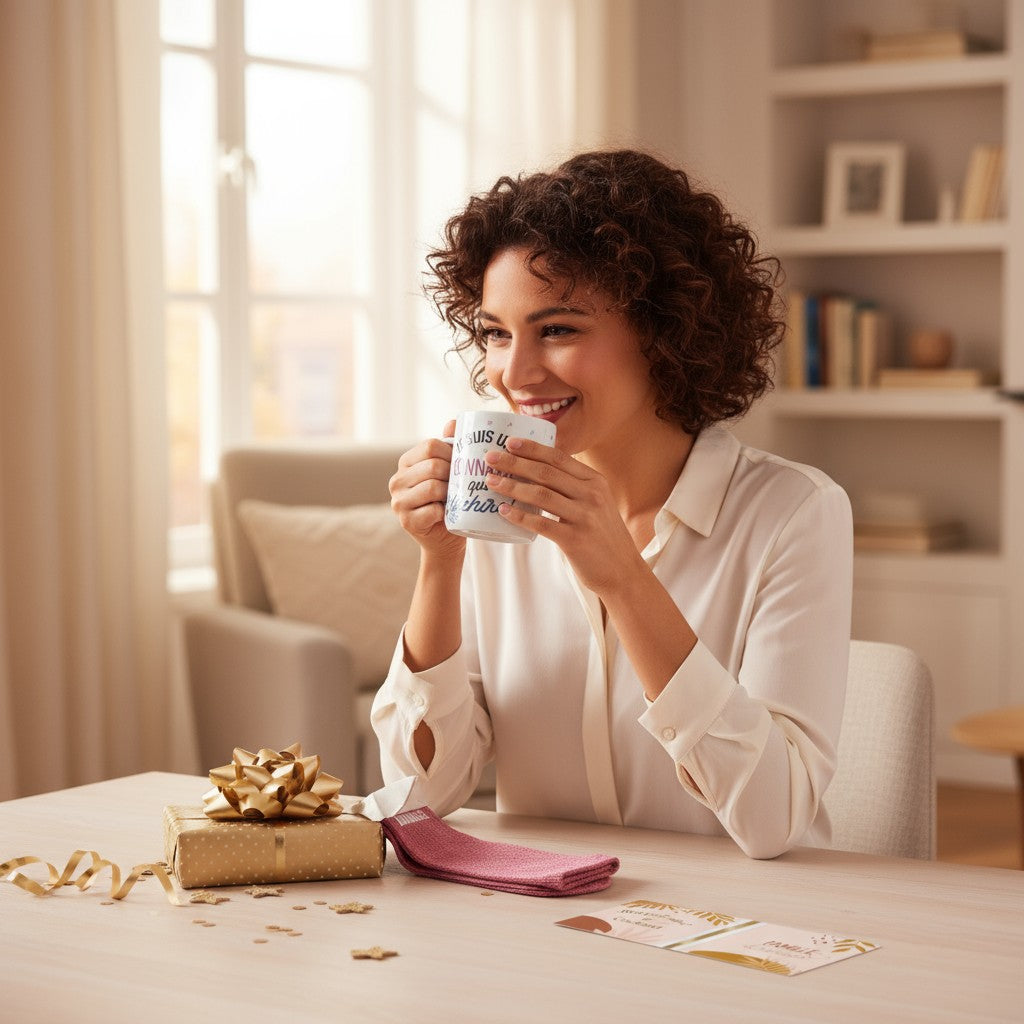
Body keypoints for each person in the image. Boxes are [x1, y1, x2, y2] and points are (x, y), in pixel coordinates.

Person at [372, 149, 852, 859]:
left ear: (667, 330)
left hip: (739, 930)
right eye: (496, 333)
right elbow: (420, 799)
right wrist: (439, 566)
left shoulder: (792, 513)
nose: (514, 373)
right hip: (548, 924)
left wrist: (625, 580)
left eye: (558, 329)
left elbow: (773, 818)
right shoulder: (495, 513)